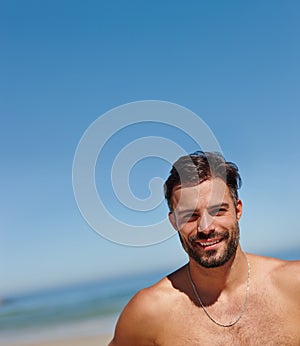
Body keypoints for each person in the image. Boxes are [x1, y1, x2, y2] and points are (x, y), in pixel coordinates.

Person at [109, 151, 300, 345]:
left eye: (218, 211)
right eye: (189, 216)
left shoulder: (294, 284)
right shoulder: (149, 312)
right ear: (174, 222)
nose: (206, 228)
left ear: (238, 210)